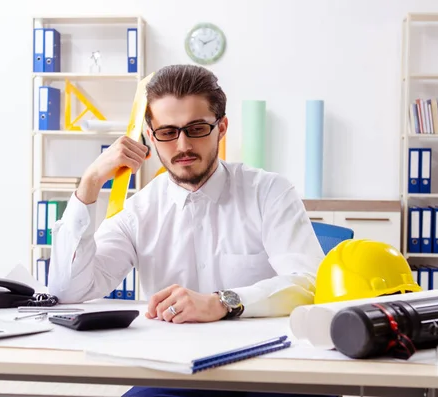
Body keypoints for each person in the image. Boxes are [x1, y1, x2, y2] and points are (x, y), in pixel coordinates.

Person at [48, 64, 327, 397]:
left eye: (196, 128)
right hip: (175, 377)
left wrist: (223, 303)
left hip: (270, 370)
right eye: (167, 132)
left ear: (221, 128)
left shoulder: (269, 192)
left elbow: (310, 283)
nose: (182, 145)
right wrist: (90, 182)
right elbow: (67, 291)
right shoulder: (138, 211)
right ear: (150, 137)